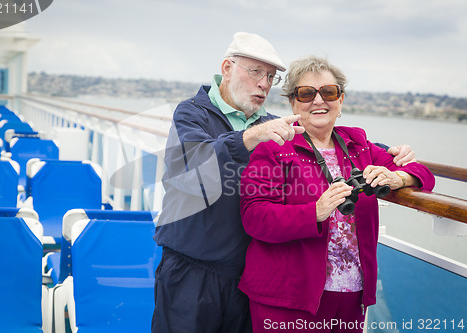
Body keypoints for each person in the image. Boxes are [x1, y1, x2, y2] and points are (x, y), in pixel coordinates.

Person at [152, 31, 416, 333]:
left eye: (270, 77)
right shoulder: (192, 113)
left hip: (243, 276)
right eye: (255, 72)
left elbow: (332, 142)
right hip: (193, 268)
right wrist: (249, 138)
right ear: (227, 69)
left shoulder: (272, 125)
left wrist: (393, 155)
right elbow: (187, 166)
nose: (263, 84)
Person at [238, 56, 435, 333]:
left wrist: (397, 177)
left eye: (328, 92)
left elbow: (423, 173)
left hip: (351, 295)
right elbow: (254, 216)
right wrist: (314, 212)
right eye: (306, 93)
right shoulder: (274, 148)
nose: (319, 101)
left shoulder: (358, 146)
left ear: (340, 101)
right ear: (293, 103)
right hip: (288, 299)